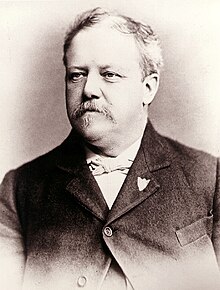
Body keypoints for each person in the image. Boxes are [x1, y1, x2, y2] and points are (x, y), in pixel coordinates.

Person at [0, 7, 220, 290]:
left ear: (148, 88)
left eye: (110, 74)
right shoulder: (19, 190)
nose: (89, 89)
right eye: (77, 75)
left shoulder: (210, 178)